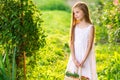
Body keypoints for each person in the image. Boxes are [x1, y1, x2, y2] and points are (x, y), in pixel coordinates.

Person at [65, 1, 97, 80]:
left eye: (77, 12)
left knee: (85, 77)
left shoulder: (90, 27)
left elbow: (89, 45)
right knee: (74, 76)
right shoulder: (75, 26)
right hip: (75, 57)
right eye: (74, 13)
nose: (75, 15)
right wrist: (74, 59)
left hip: (85, 57)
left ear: (84, 12)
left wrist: (83, 60)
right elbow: (72, 42)